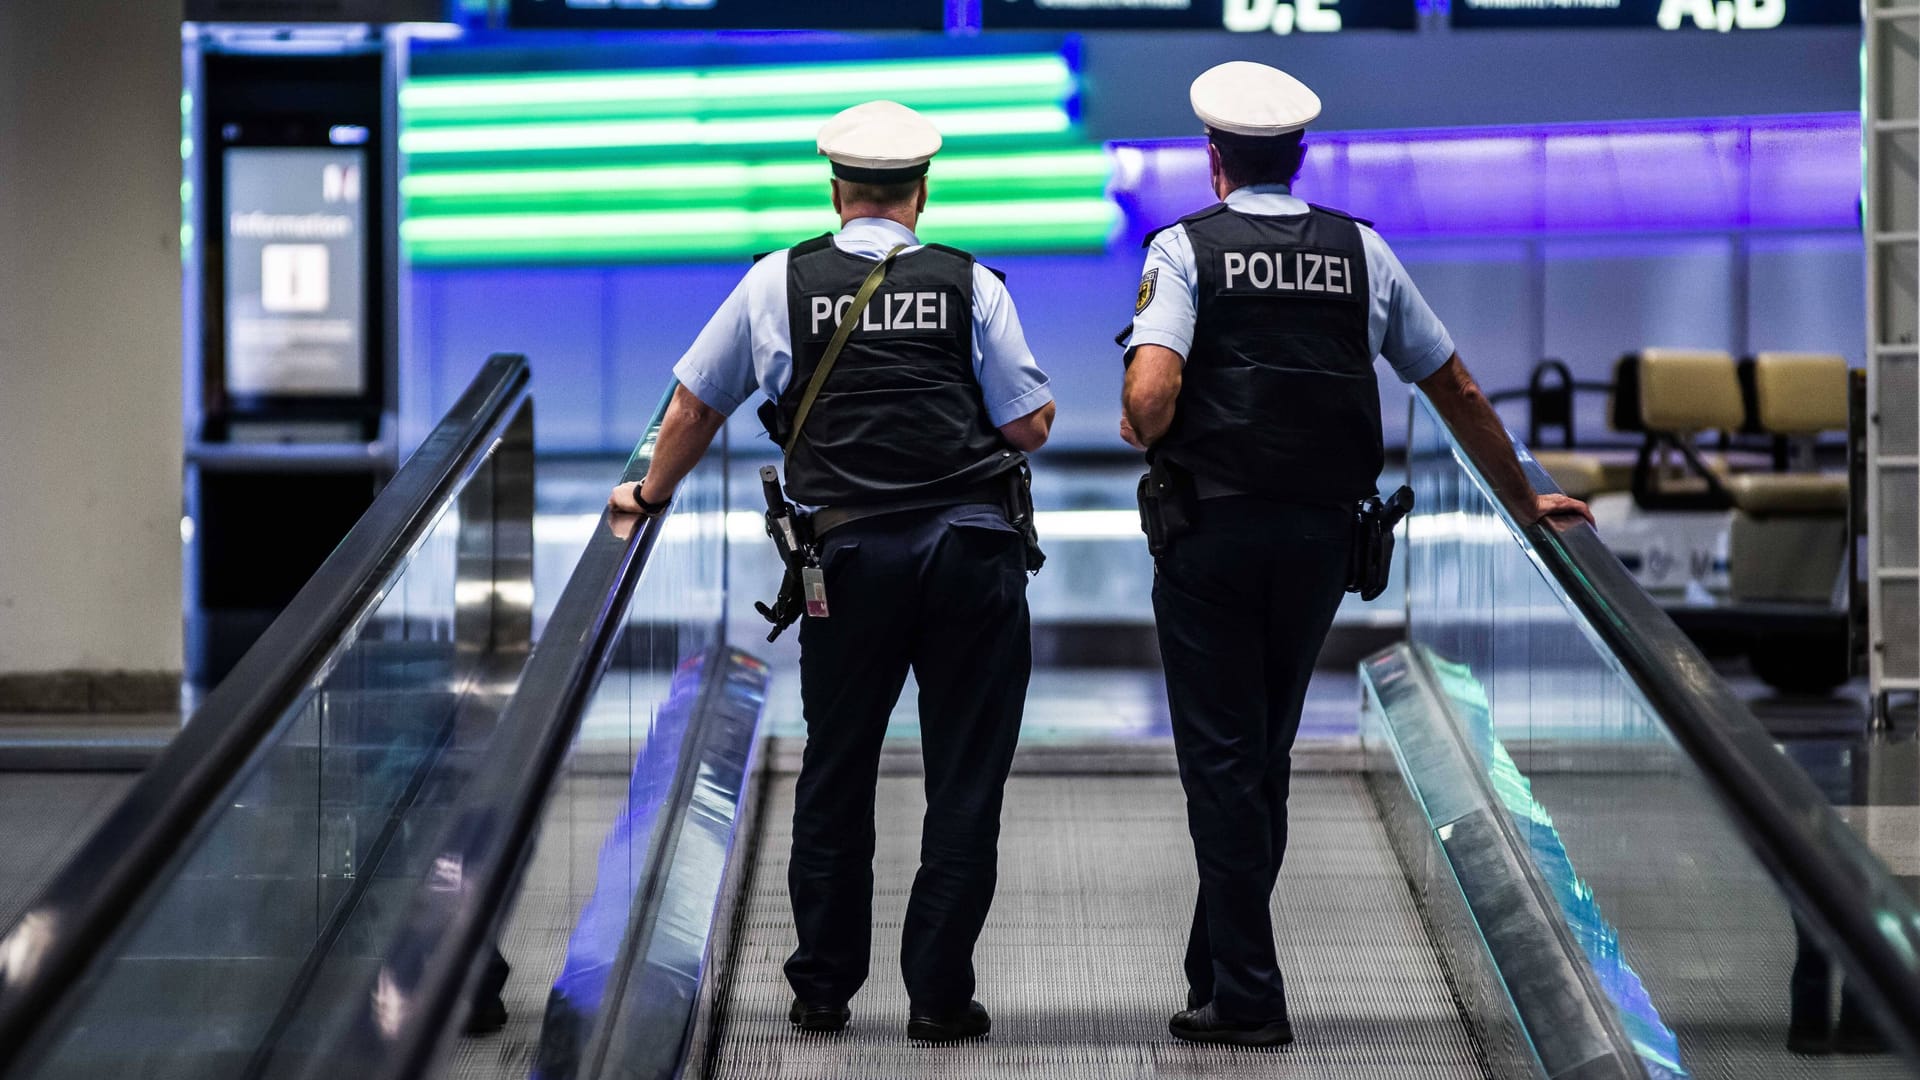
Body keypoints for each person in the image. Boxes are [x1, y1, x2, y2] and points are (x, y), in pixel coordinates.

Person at [1119, 61, 1593, 1048]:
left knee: (1220, 760)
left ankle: (1248, 997)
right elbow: (1453, 384)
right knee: (1264, 756)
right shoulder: (1360, 252)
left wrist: (1140, 415)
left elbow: (1153, 395)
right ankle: (1219, 972)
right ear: (1297, 158)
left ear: (1215, 161)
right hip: (1322, 538)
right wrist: (1525, 496)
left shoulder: (1185, 249)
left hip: (1211, 534)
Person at [609, 99, 1055, 1043]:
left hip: (846, 562)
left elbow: (695, 406)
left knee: (838, 768)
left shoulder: (779, 280)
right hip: (973, 554)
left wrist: (647, 496)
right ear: (921, 195)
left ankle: (822, 987)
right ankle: (938, 996)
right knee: (965, 778)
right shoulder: (971, 284)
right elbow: (1027, 426)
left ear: (837, 190)